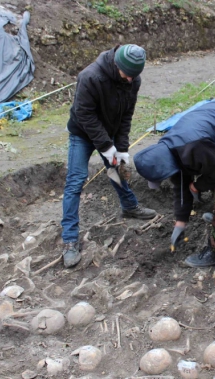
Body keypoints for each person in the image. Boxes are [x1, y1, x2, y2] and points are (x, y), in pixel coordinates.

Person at [134, 98, 215, 267]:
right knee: (214, 174)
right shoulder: (168, 149)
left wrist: (198, 186)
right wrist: (181, 221)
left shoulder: (194, 146)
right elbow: (180, 182)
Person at [61, 44, 157, 268]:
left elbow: (126, 116)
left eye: (135, 76)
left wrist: (121, 148)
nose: (131, 80)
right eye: (128, 75)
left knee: (116, 170)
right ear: (116, 65)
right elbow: (84, 114)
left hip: (111, 132)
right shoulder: (90, 77)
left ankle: (129, 206)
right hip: (82, 133)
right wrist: (105, 146)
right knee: (75, 181)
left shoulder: (133, 80)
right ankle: (69, 240)